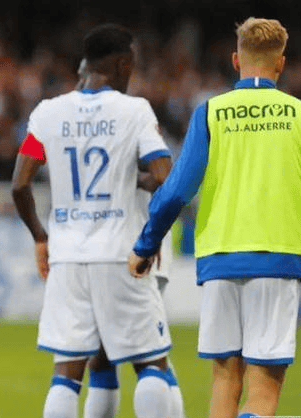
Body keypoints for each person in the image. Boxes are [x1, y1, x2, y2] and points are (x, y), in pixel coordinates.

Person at [129, 17, 301, 418]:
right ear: (280, 64)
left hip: (219, 260)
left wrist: (146, 244)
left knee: (225, 383)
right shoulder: (297, 115)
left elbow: (177, 190)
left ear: (236, 61)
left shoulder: (211, 112)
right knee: (263, 394)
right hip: (277, 259)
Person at [11, 24, 177, 418]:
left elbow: (19, 184)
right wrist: (150, 236)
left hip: (67, 257)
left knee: (67, 373)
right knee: (151, 363)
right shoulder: (134, 111)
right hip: (121, 254)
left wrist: (40, 236)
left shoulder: (48, 113)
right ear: (122, 64)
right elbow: (166, 180)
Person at [71, 58, 185, 418]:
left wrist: (126, 179)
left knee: (140, 356)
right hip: (122, 246)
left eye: (83, 77)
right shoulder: (125, 121)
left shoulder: (129, 122)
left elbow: (163, 178)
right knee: (114, 355)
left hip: (137, 246)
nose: (79, 85)